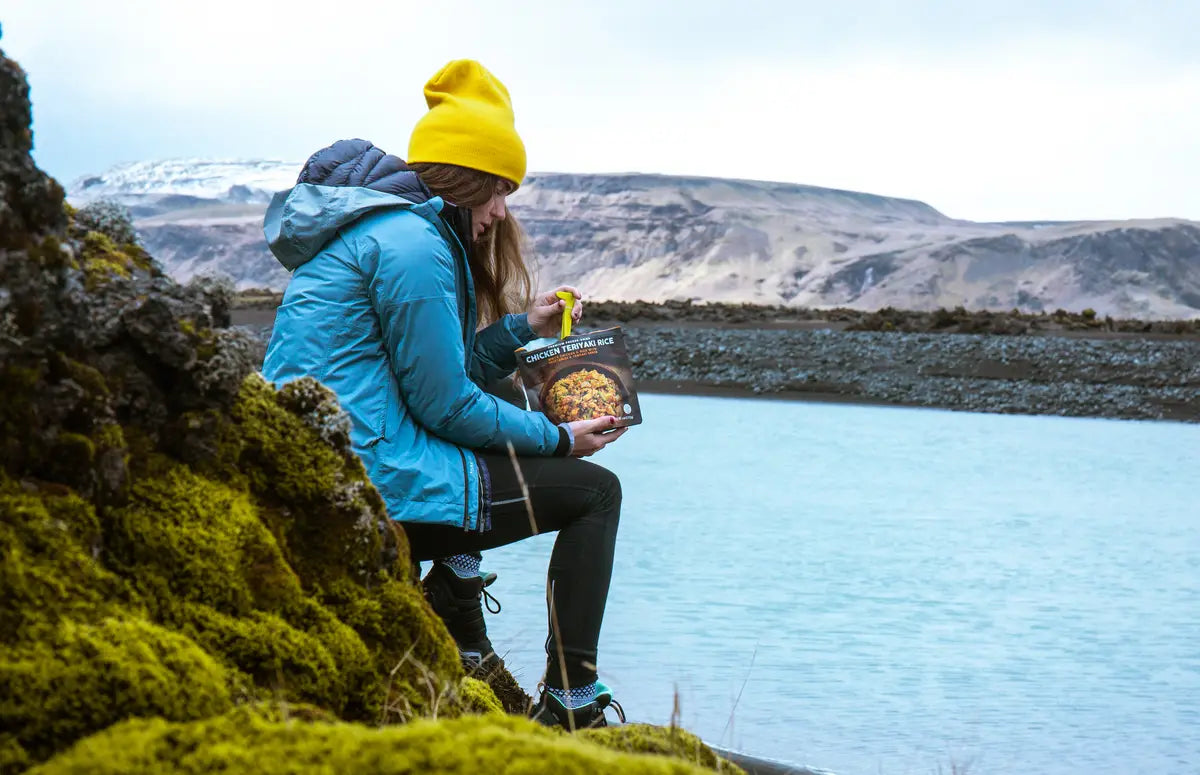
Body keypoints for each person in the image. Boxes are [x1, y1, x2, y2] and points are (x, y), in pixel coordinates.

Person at [260, 59, 627, 729]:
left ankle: (457, 587)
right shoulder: (412, 245)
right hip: (370, 484)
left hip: (340, 466)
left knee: (500, 396)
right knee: (596, 492)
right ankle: (571, 700)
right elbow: (446, 405)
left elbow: (442, 372)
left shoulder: (387, 229)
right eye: (496, 190)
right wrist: (560, 439)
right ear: (464, 180)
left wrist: (523, 328)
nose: (500, 210)